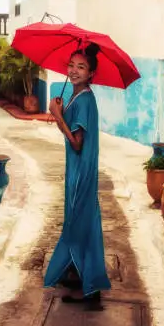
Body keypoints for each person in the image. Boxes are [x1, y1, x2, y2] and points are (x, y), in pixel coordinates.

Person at [44, 43, 111, 311]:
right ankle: (82, 276)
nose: (73, 70)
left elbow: (77, 144)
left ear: (91, 73)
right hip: (77, 171)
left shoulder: (84, 100)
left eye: (81, 67)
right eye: (71, 64)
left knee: (80, 225)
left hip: (81, 173)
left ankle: (91, 289)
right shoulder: (77, 96)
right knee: (81, 222)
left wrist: (58, 117)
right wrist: (62, 110)